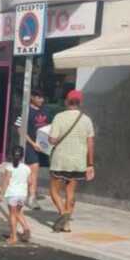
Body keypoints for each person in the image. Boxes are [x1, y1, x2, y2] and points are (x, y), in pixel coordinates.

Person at [48, 90, 95, 232]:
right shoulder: (86, 120)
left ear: (66, 101)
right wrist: (90, 164)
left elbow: (52, 139)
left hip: (60, 161)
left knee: (54, 191)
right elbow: (90, 143)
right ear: (80, 103)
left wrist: (51, 139)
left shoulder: (59, 117)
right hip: (78, 162)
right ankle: (67, 224)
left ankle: (63, 214)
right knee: (70, 192)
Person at [14, 89, 51, 209]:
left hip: (43, 146)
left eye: (42, 97)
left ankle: (28, 193)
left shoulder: (45, 110)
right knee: (33, 170)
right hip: (30, 146)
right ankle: (31, 198)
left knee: (34, 171)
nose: (41, 100)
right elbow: (19, 128)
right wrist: (32, 143)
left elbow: (49, 127)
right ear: (32, 97)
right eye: (39, 97)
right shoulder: (25, 111)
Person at [0, 145, 32, 244]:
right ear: (22, 156)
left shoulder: (9, 168)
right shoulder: (27, 168)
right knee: (18, 213)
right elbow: (30, 182)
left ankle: (14, 237)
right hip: (22, 195)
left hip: (12, 194)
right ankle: (26, 228)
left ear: (11, 155)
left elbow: (5, 182)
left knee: (12, 215)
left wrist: (1, 194)